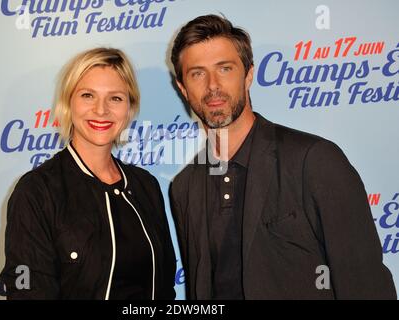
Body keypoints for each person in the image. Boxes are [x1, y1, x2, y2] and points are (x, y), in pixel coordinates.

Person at [169, 14, 396, 299]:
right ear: (182, 88)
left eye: (225, 69)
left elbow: (366, 287)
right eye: (198, 73)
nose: (213, 85)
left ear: (248, 75)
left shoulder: (314, 161)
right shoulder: (184, 187)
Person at [0, 48, 176, 299]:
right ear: (68, 103)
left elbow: (165, 289)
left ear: (130, 107)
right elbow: (27, 293)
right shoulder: (37, 192)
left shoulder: (145, 185)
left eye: (115, 98)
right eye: (87, 95)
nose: (101, 110)